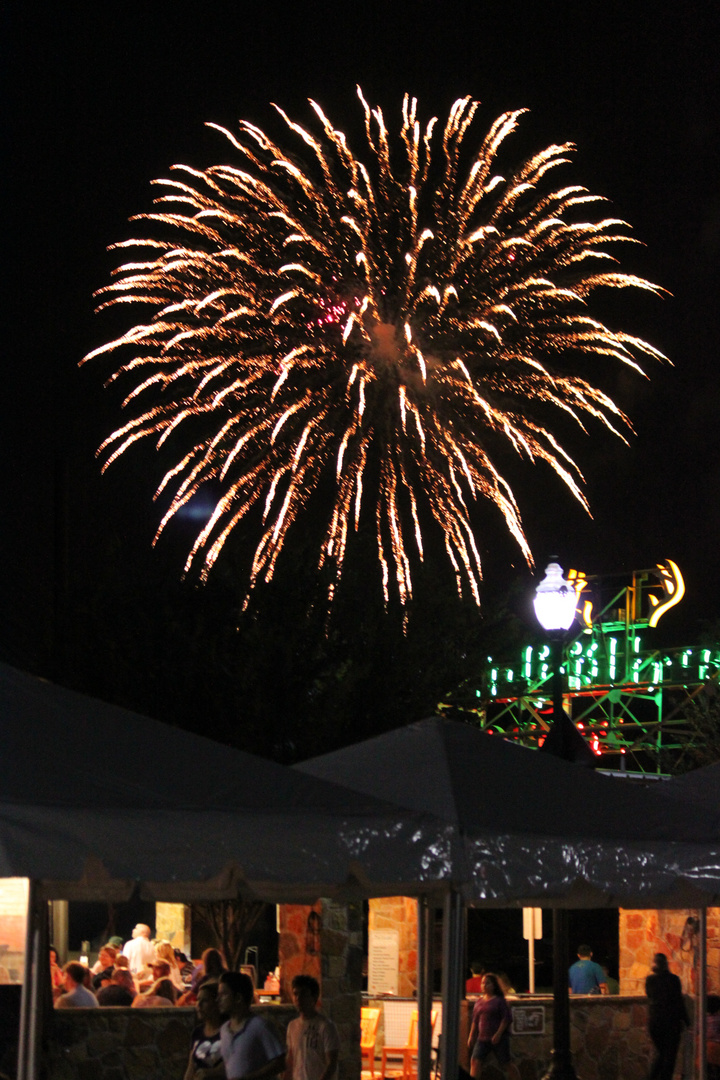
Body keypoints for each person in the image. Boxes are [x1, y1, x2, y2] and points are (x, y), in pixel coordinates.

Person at [217, 971, 285, 1080]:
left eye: (224, 994)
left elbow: (280, 1062)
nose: (218, 999)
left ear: (238, 998)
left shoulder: (260, 1026)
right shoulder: (224, 1030)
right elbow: (230, 1062)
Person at [285, 975, 339, 1080]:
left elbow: (332, 1063)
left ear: (314, 997)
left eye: (304, 994)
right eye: (295, 994)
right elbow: (291, 1059)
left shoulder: (326, 1026)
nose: (298, 998)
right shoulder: (292, 1026)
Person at [645, 953, 689, 1080]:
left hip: (655, 1022)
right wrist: (687, 1021)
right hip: (671, 1022)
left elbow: (649, 996)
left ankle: (652, 1077)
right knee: (669, 1057)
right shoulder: (674, 980)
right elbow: (678, 1002)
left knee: (662, 1053)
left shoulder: (650, 980)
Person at [467, 973, 513, 1078]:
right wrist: (471, 1035)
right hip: (482, 1038)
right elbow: (475, 1019)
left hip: (498, 1038)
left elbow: (506, 1019)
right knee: (475, 1061)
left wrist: (498, 1034)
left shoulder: (499, 1001)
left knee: (506, 1063)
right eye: (483, 983)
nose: (484, 985)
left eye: (487, 983)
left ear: (494, 985)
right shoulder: (479, 1001)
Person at [184, 981, 226, 1079]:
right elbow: (191, 1068)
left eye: (205, 1000)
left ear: (217, 1003)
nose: (199, 1005)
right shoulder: (197, 1032)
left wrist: (213, 1072)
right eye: (198, 1000)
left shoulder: (228, 1031)